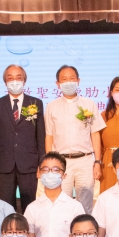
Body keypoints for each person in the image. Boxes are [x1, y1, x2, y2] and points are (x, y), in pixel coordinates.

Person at [44, 65, 105, 213]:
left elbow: (95, 134)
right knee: (61, 203)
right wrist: (50, 163)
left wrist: (97, 162)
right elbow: (49, 136)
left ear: (78, 80)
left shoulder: (89, 104)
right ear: (57, 83)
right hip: (61, 161)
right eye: (64, 79)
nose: (68, 82)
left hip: (85, 160)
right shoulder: (51, 106)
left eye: (72, 79)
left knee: (85, 205)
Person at [0, 64, 45, 213]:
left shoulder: (36, 103)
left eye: (18, 77)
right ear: (5, 82)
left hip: (29, 164)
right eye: (10, 78)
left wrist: (42, 162)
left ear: (24, 81)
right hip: (4, 164)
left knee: (29, 206)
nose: (14, 81)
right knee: (6, 206)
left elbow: (40, 135)